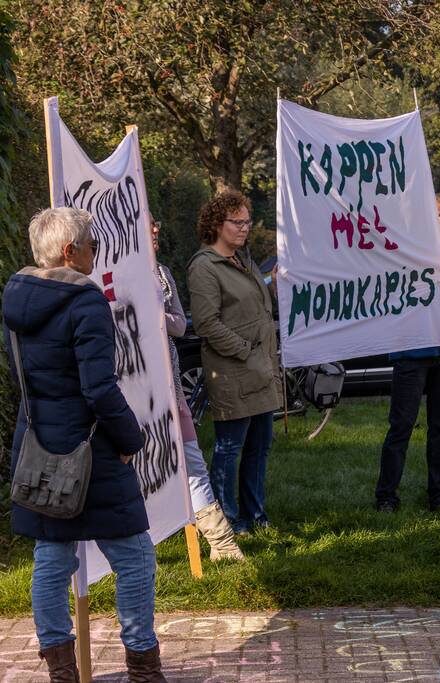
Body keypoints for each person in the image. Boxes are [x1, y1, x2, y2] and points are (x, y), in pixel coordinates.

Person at [2, 207, 167, 681]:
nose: (96, 250)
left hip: (39, 446)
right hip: (91, 450)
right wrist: (131, 438)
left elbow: (28, 378)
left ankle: (61, 672)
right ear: (69, 251)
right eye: (92, 243)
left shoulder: (17, 297)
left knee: (52, 558)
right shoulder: (85, 301)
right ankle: (143, 667)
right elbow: (99, 389)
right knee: (135, 555)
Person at [187, 191, 282, 536]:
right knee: (230, 448)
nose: (244, 228)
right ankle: (225, 520)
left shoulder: (244, 260)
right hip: (233, 372)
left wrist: (274, 286)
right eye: (236, 222)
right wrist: (243, 349)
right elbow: (206, 324)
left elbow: (255, 304)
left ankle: (255, 515)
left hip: (261, 369)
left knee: (260, 446)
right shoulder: (204, 267)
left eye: (247, 221)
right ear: (216, 224)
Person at [375, 195, 440, 513]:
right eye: (434, 216)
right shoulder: (400, 255)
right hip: (411, 353)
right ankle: (386, 496)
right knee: (401, 427)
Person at [152, 220, 243, 560]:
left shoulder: (162, 273)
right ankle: (140, 552)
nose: (156, 231)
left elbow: (178, 325)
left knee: (193, 463)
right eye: (149, 225)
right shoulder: (112, 275)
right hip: (138, 394)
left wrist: (156, 314)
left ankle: (222, 545)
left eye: (156, 224)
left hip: (172, 390)